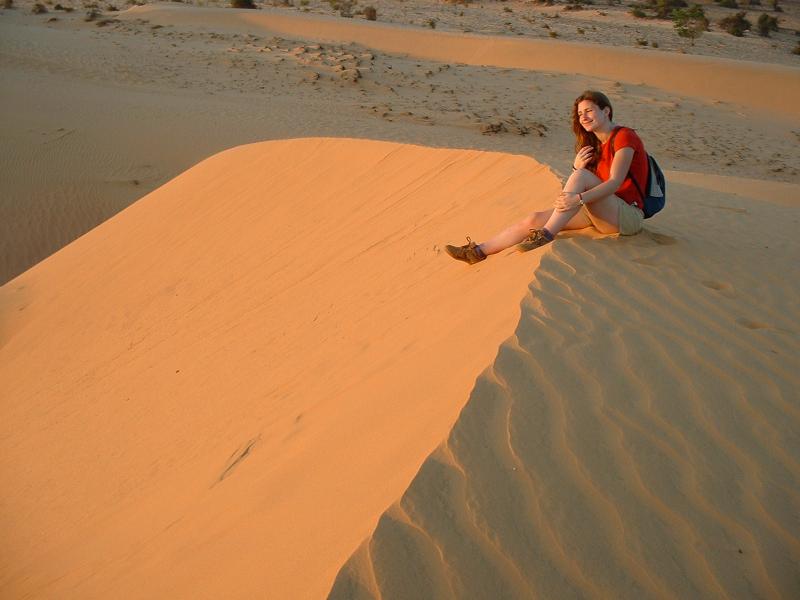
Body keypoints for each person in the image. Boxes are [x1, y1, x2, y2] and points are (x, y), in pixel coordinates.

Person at [445, 90, 648, 265]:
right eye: (579, 114)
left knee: (581, 177)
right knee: (534, 218)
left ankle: (546, 235)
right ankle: (477, 252)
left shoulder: (624, 137)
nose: (583, 117)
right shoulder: (593, 146)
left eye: (589, 110)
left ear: (606, 111)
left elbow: (614, 183)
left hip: (627, 217)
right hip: (602, 212)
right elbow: (587, 184)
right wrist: (576, 167)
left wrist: (577, 196)